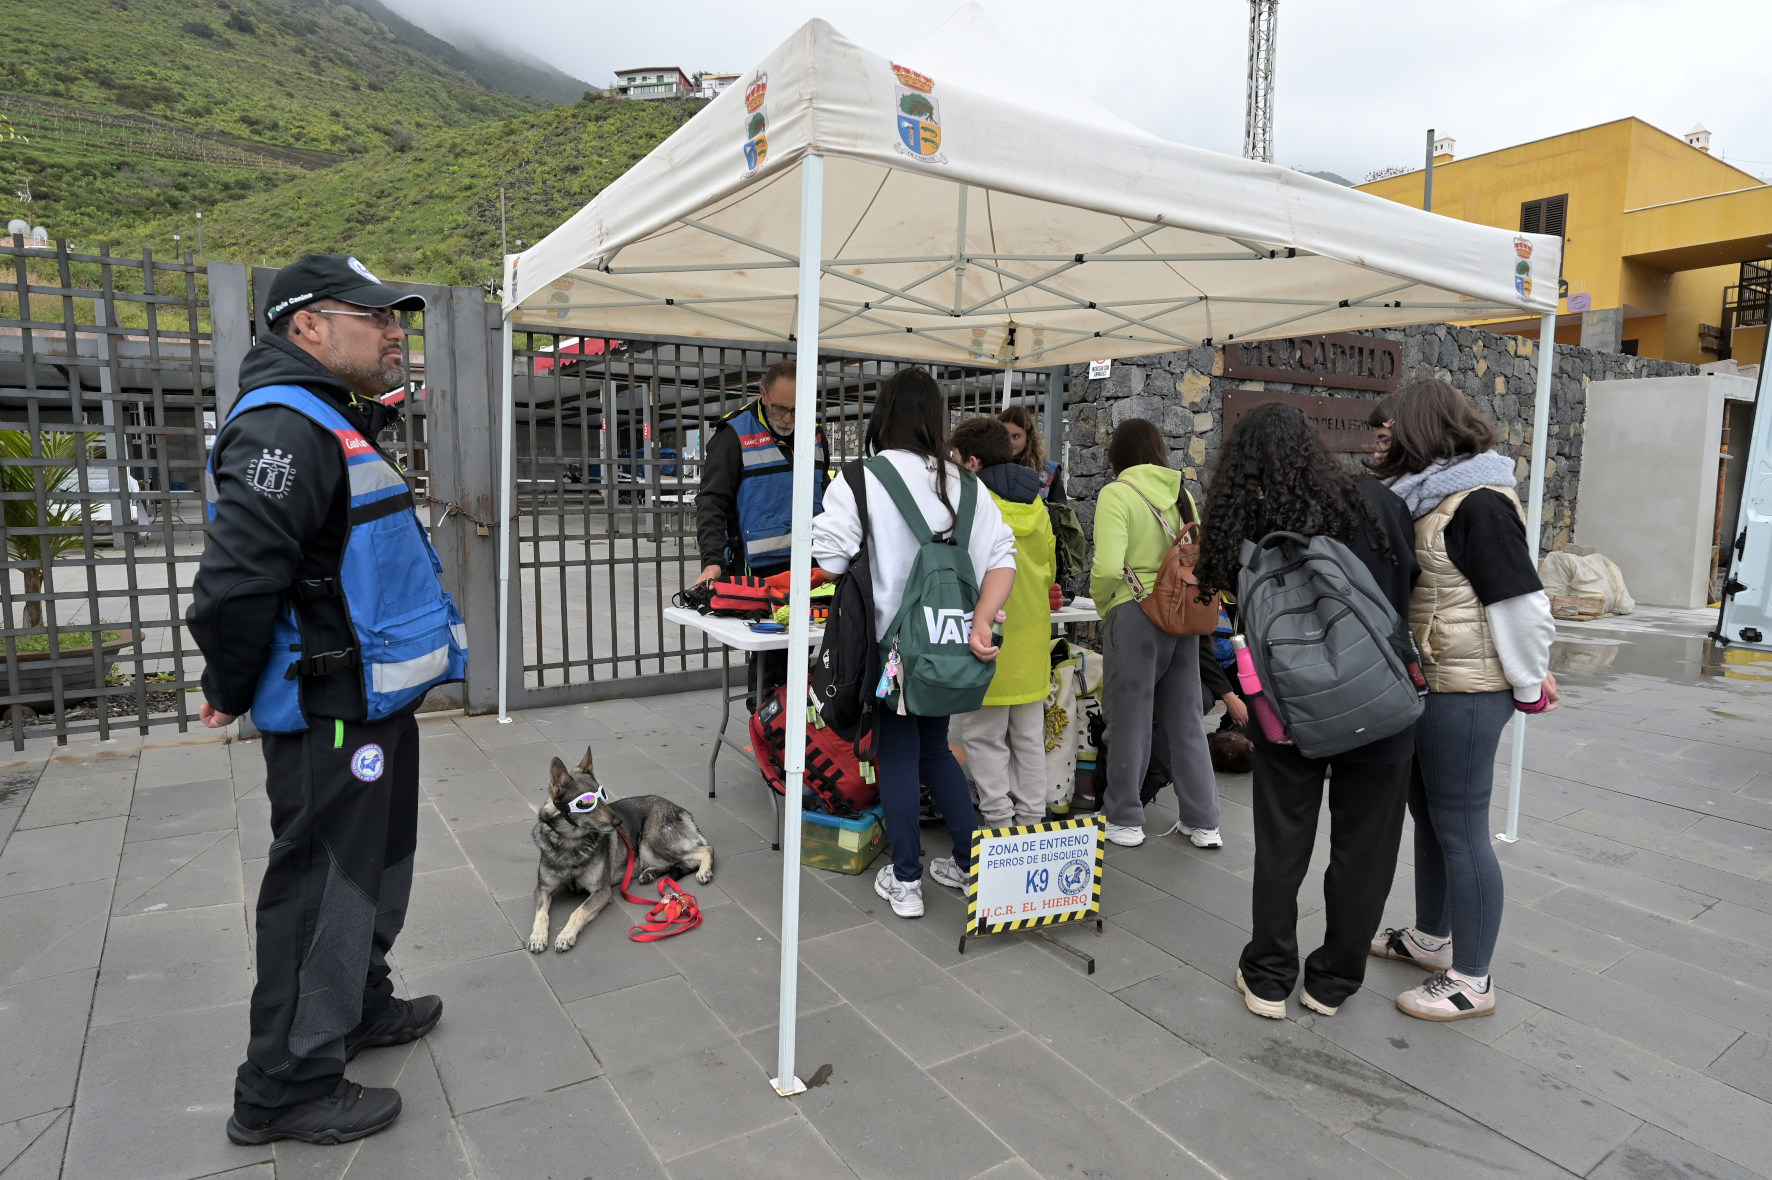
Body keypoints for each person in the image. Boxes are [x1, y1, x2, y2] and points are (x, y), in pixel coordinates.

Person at [190, 255, 467, 1146]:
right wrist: (227, 689)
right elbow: (234, 583)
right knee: (322, 885)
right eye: (375, 316)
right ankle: (282, 1085)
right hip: (327, 713)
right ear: (307, 326)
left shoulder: (332, 417)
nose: (395, 331)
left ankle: (354, 1005)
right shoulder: (283, 427)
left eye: (399, 319)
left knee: (380, 865)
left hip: (372, 701)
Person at [1197, 402, 1420, 1020]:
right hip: (1377, 699)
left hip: (1288, 711)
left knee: (1282, 843)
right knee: (1365, 847)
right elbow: (1408, 586)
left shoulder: (1243, 521)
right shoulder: (1376, 503)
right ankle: (1331, 983)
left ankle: (1268, 977)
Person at [1366, 377, 1558, 1022]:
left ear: (1420, 431)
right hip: (1435, 683)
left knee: (1461, 829)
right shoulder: (1428, 497)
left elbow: (1523, 602)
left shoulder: (1478, 502)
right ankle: (1430, 938)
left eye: (1388, 430)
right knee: (1432, 816)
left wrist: (1530, 683)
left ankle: (1473, 979)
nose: (1379, 441)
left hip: (1468, 694)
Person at [813, 368, 1016, 918]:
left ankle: (905, 880)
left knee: (900, 752)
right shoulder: (968, 484)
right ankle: (976, 864)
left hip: (893, 654)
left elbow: (830, 561)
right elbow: (1004, 560)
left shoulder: (859, 479)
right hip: (954, 646)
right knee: (937, 749)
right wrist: (980, 621)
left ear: (883, 414)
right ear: (937, 418)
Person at [1087, 417, 1219, 848]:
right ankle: (1204, 822)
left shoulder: (1117, 493)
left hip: (1135, 612)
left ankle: (1124, 817)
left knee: (1129, 719)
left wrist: (1107, 603)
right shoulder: (1182, 494)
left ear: (1117, 457)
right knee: (1185, 722)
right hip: (1181, 617)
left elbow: (1107, 567)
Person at [948, 417, 1057, 829]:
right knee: (1029, 738)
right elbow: (1048, 570)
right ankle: (1032, 818)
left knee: (983, 737)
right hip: (1032, 640)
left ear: (973, 463)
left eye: (955, 459)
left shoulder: (974, 507)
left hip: (988, 634)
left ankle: (997, 820)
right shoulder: (1038, 504)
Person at [695, 359, 829, 585]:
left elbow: (825, 493)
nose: (787, 419)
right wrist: (713, 559)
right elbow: (712, 500)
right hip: (752, 570)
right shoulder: (732, 435)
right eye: (779, 408)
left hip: (808, 566)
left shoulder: (814, 435)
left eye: (796, 410)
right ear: (764, 395)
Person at [998, 404, 1066, 503]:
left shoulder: (1049, 471)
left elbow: (1060, 511)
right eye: (1004, 435)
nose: (1009, 442)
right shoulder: (985, 468)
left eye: (1016, 436)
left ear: (1028, 437)